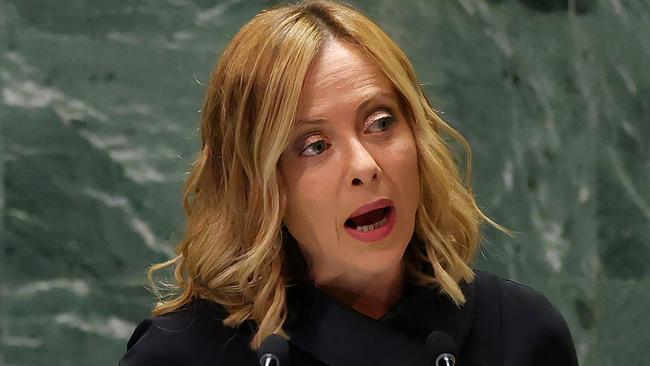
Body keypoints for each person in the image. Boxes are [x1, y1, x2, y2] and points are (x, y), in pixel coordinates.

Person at [119, 1, 579, 365]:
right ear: (259, 184)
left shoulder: (520, 333)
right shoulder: (184, 355)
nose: (364, 165)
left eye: (380, 122)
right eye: (314, 145)